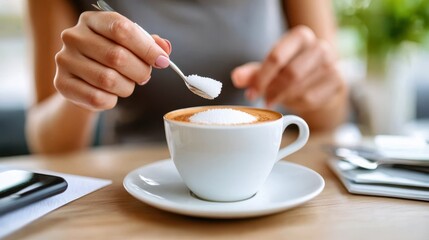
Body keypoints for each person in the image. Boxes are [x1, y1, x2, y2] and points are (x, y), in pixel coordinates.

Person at [26, 0, 348, 154]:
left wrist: (313, 87)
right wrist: (87, 87)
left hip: (263, 168)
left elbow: (332, 114)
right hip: (134, 181)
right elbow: (48, 145)